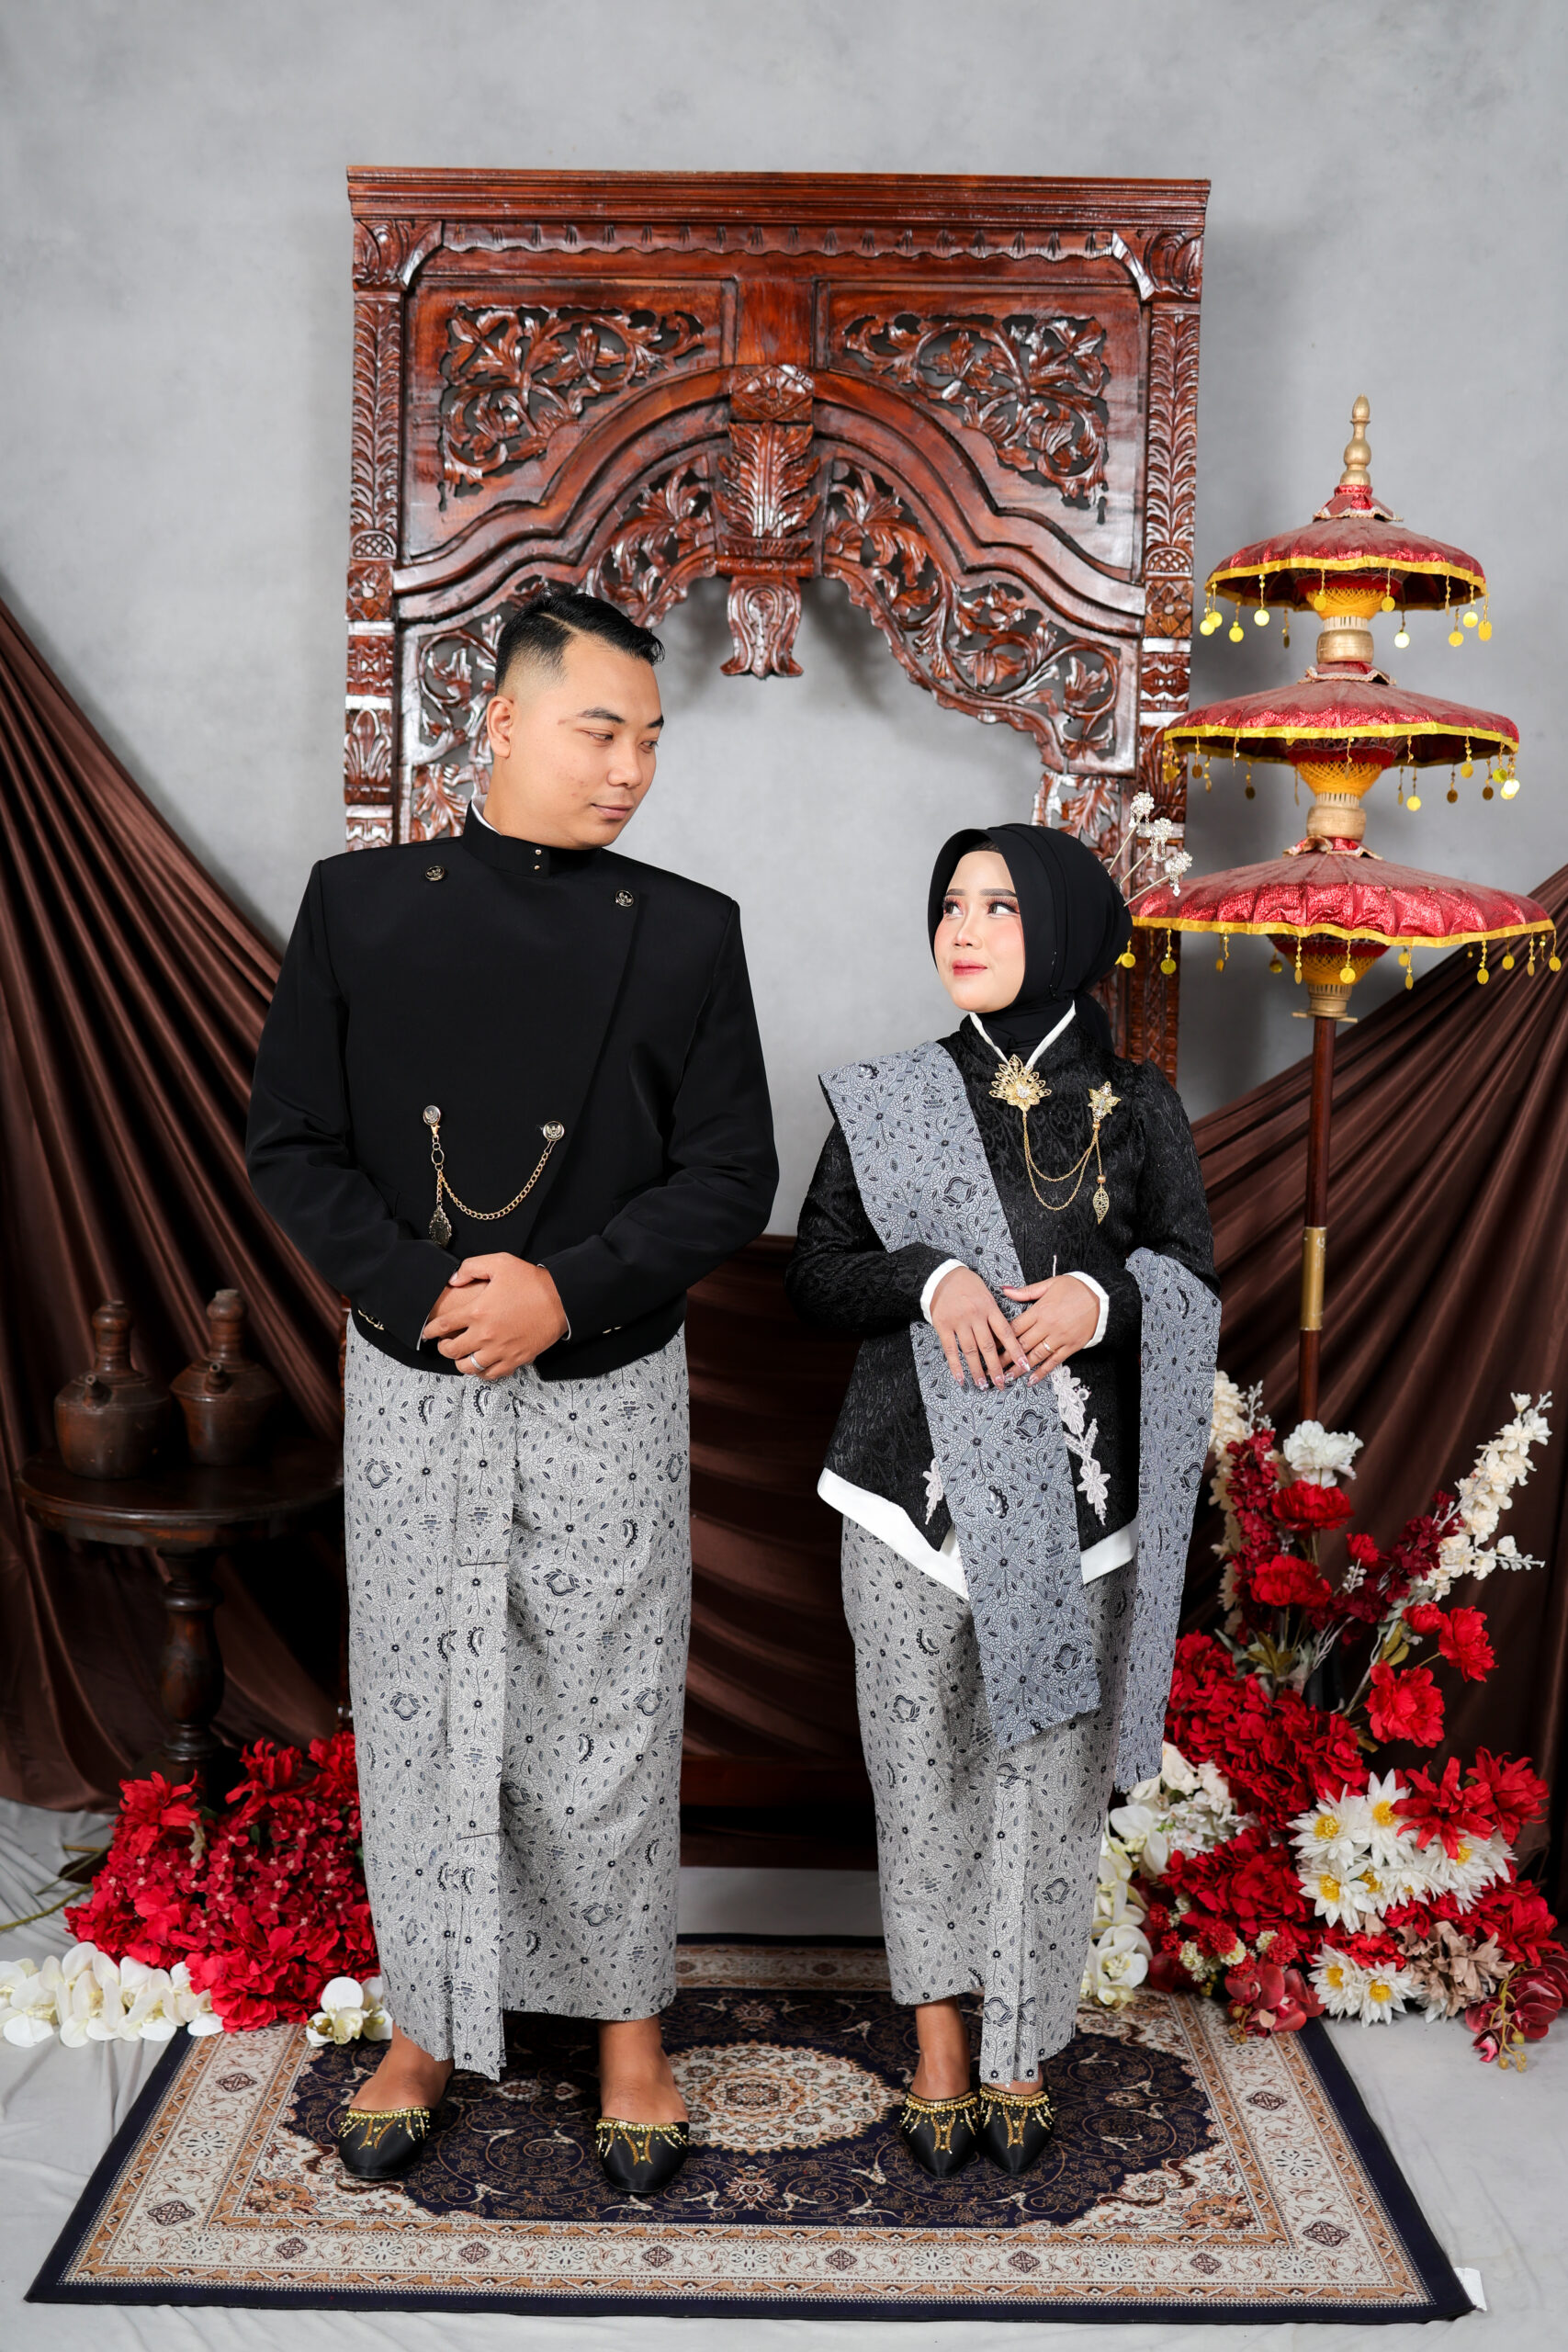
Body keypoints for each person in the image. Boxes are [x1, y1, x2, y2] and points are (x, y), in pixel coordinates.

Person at [248, 588, 776, 2195]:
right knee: (422, 1702)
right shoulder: (355, 906)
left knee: (608, 1705)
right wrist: (424, 1289)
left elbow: (730, 1175)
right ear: (499, 721)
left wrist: (565, 1290)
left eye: (650, 740)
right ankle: (428, 2023)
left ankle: (628, 2031)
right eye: (599, 731)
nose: (630, 770)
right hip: (415, 1372)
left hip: (607, 1373)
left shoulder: (688, 930)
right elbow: (292, 1147)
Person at [784, 822, 1218, 2180]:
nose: (962, 930)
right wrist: (930, 1278)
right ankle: (937, 2047)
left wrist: (1099, 1298)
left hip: (1077, 1510)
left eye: (999, 906)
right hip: (904, 1499)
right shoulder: (892, 1099)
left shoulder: (1139, 1105)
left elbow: (1193, 1275)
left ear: (1067, 929)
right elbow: (814, 1275)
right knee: (919, 1775)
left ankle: (1020, 2051)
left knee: (1048, 1784)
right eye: (950, 904)